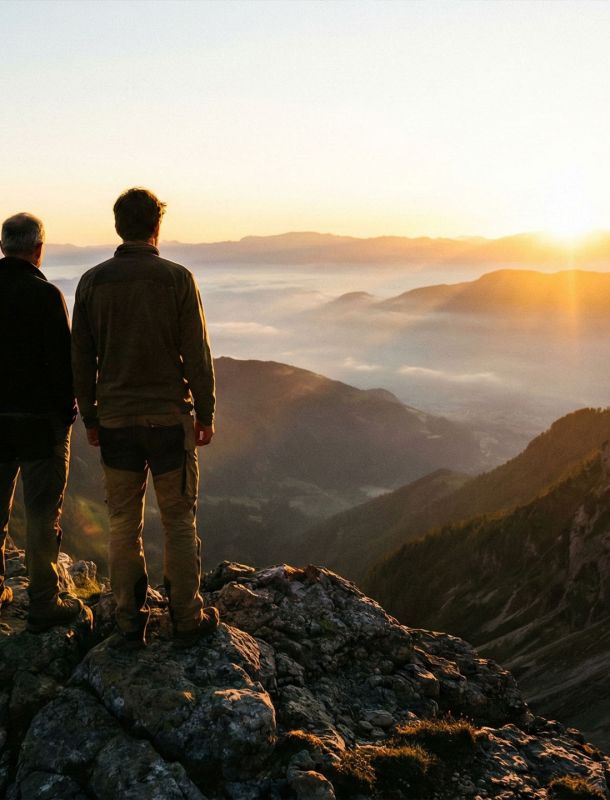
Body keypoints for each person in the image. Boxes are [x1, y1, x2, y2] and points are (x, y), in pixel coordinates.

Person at [72, 187, 218, 648]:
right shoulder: (178, 279)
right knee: (178, 520)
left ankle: (129, 621)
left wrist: (91, 416)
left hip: (116, 422)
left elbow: (81, 358)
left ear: (118, 226)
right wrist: (206, 411)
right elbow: (197, 353)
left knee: (121, 523)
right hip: (168, 421)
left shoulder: (92, 282)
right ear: (157, 226)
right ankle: (186, 619)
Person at [0, 213, 92, 632]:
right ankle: (42, 602)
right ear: (38, 248)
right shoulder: (46, 295)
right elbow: (64, 364)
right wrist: (68, 411)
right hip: (40, 423)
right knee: (41, 515)